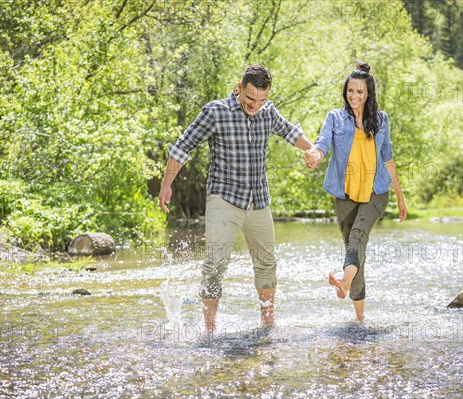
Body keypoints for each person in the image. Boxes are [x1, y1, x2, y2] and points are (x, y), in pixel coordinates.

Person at [159, 64, 317, 333]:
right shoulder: (216, 112)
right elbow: (183, 147)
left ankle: (268, 323)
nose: (255, 105)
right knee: (216, 262)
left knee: (266, 262)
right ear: (239, 88)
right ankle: (210, 328)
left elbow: (291, 133)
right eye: (250, 98)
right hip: (224, 197)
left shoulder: (268, 112)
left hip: (258, 200)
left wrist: (312, 149)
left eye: (261, 100)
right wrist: (166, 184)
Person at [305, 62, 407, 321]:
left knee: (358, 236)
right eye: (350, 90)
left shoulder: (381, 120)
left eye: (360, 91)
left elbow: (388, 158)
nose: (354, 96)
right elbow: (322, 142)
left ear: (368, 93)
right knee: (354, 247)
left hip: (376, 191)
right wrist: (315, 154)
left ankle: (343, 281)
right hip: (344, 193)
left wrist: (400, 196)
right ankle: (359, 316)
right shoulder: (335, 118)